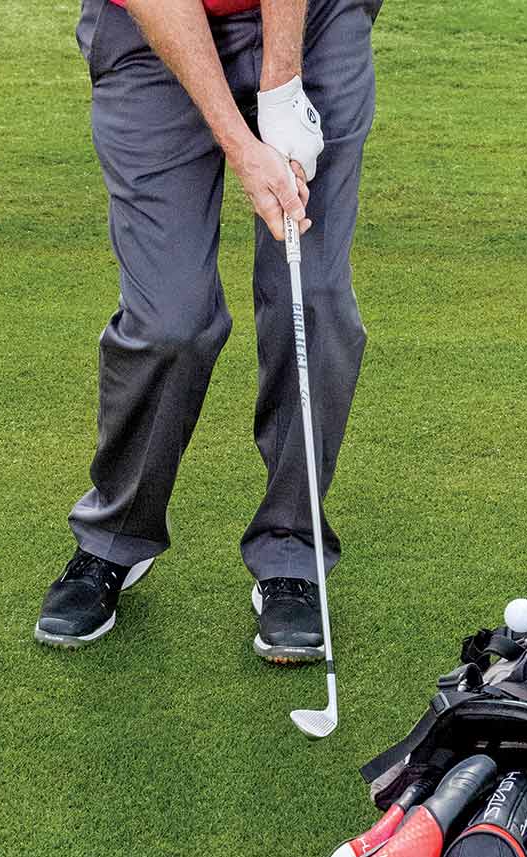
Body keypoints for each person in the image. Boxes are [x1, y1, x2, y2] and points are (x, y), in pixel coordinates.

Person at [36, 0, 378, 662]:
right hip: (150, 31)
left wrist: (283, 92)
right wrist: (243, 145)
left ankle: (292, 554)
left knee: (313, 296)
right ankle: (115, 537)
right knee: (171, 320)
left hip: (315, 18)